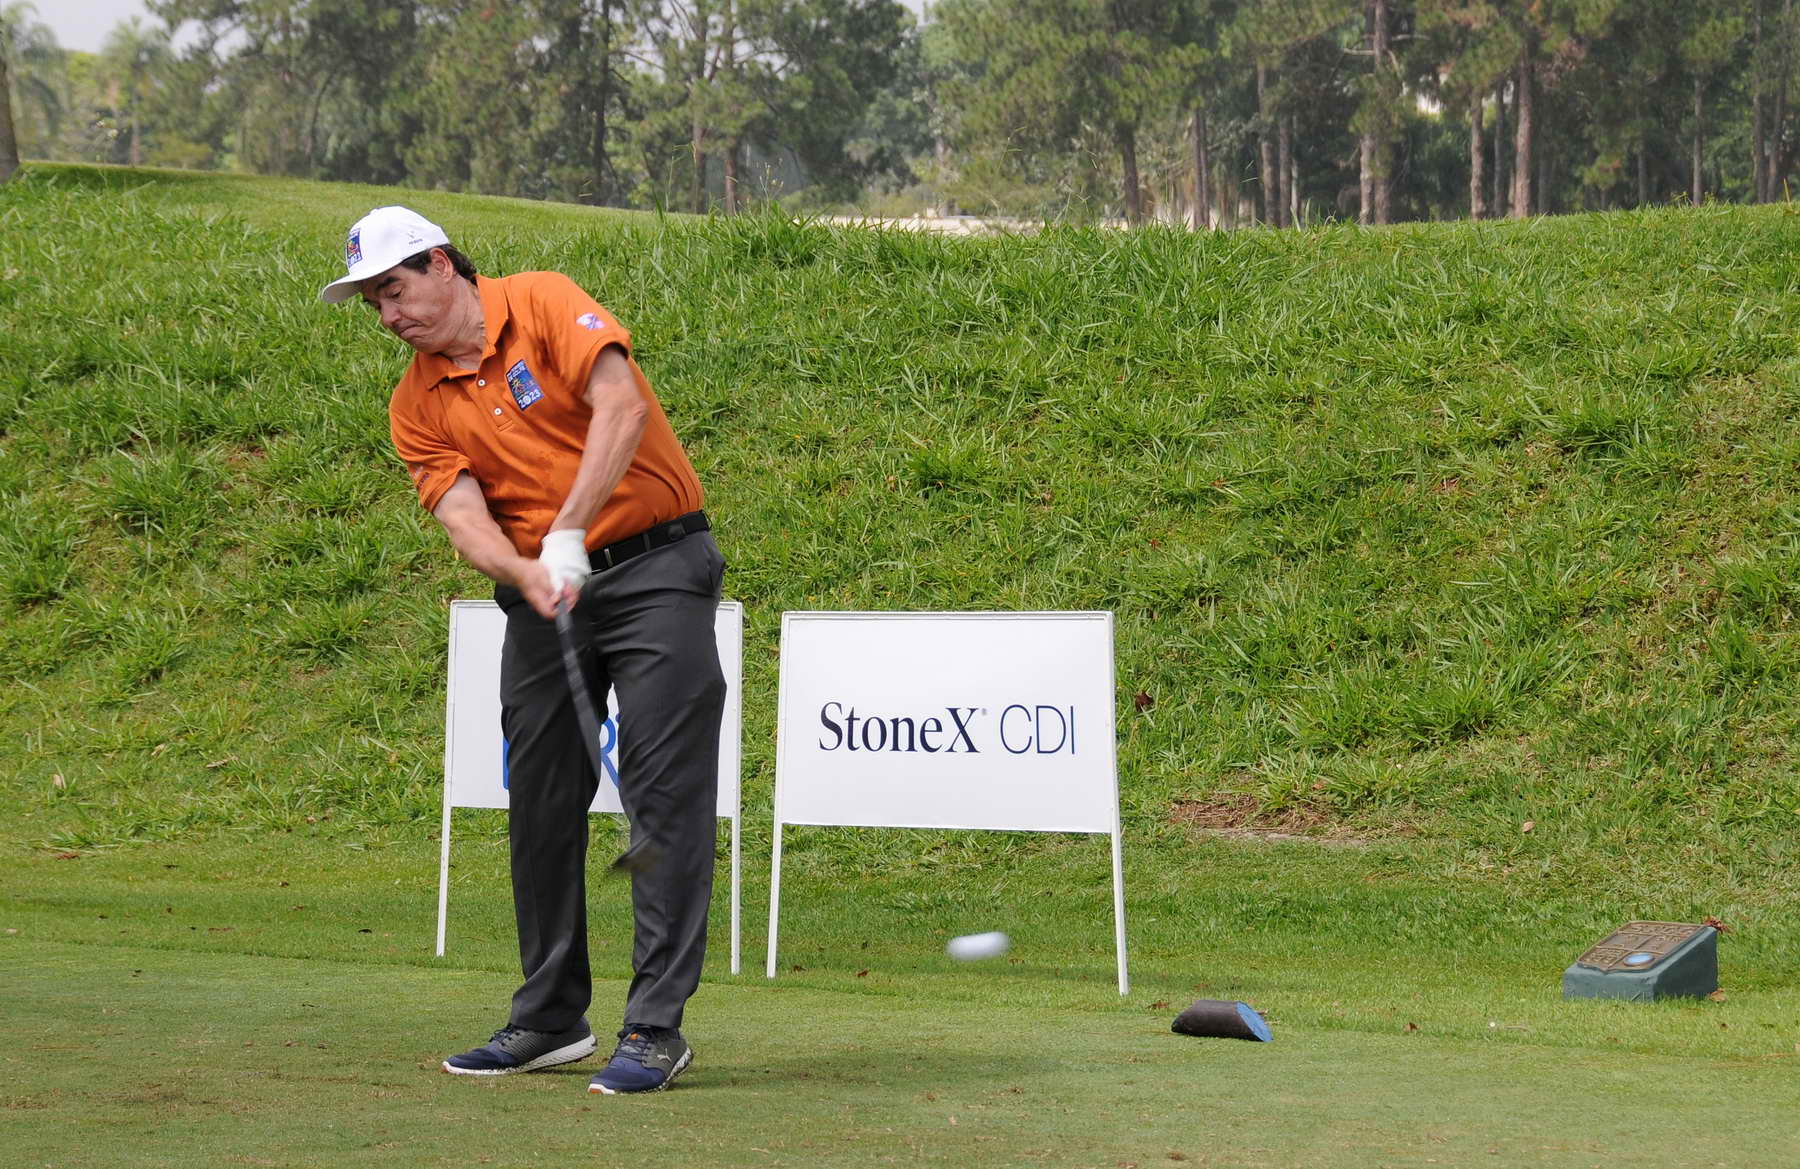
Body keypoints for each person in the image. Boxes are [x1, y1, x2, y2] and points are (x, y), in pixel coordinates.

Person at [320, 205, 726, 1095]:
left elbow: (621, 406)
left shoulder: (541, 302)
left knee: (663, 794)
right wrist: (524, 568)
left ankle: (654, 1026)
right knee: (540, 796)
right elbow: (464, 516)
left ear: (442, 265)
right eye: (373, 302)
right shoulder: (415, 403)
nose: (387, 314)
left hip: (657, 566)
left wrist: (570, 528)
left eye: (393, 289)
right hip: (544, 593)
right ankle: (550, 1017)